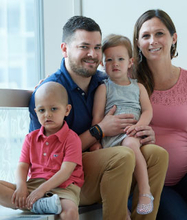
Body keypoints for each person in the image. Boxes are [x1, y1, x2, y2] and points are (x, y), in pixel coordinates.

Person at [28, 16, 168, 220]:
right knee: (123, 155)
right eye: (84, 47)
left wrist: (143, 131)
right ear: (65, 49)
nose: (92, 54)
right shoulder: (50, 92)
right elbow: (46, 156)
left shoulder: (103, 81)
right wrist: (99, 131)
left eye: (97, 47)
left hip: (103, 160)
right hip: (64, 179)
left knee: (157, 154)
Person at [133, 9, 187, 220]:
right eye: (146, 35)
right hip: (153, 183)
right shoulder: (128, 83)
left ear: (173, 38)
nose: (153, 41)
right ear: (137, 43)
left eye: (159, 33)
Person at [90, 34, 154, 216]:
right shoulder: (104, 88)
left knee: (130, 145)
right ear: (102, 64)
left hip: (131, 135)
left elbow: (148, 111)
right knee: (119, 168)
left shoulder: (138, 87)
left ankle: (145, 191)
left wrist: (139, 127)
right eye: (109, 60)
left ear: (130, 62)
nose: (115, 63)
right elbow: (97, 118)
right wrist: (96, 143)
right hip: (109, 139)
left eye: (120, 59)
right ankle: (121, 208)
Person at [0, 82, 84, 220]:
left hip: (63, 187)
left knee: (70, 213)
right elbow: (22, 166)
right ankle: (40, 204)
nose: (47, 115)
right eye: (42, 110)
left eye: (54, 109)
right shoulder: (30, 138)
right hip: (34, 185)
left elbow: (65, 172)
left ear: (67, 110)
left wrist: (42, 190)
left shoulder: (72, 139)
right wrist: (21, 187)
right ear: (35, 112)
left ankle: (34, 204)